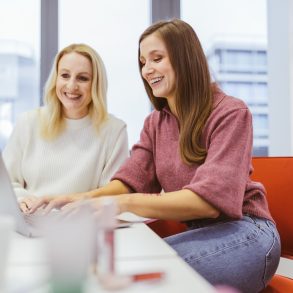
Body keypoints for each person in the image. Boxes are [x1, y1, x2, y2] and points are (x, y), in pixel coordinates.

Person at [28, 20, 280, 292]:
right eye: (143, 62)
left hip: (249, 234)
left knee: (128, 278)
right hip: (202, 235)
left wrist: (122, 203)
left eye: (156, 59)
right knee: (109, 269)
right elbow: (130, 181)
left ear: (185, 58)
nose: (147, 70)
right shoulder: (156, 123)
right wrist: (74, 198)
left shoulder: (230, 112)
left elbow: (208, 202)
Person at [2, 43, 129, 213]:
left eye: (82, 78)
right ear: (56, 80)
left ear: (96, 84)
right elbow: (6, 180)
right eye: (65, 75)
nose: (71, 86)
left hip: (82, 224)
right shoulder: (28, 122)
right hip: (30, 218)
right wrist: (21, 199)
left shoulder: (114, 131)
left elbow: (112, 194)